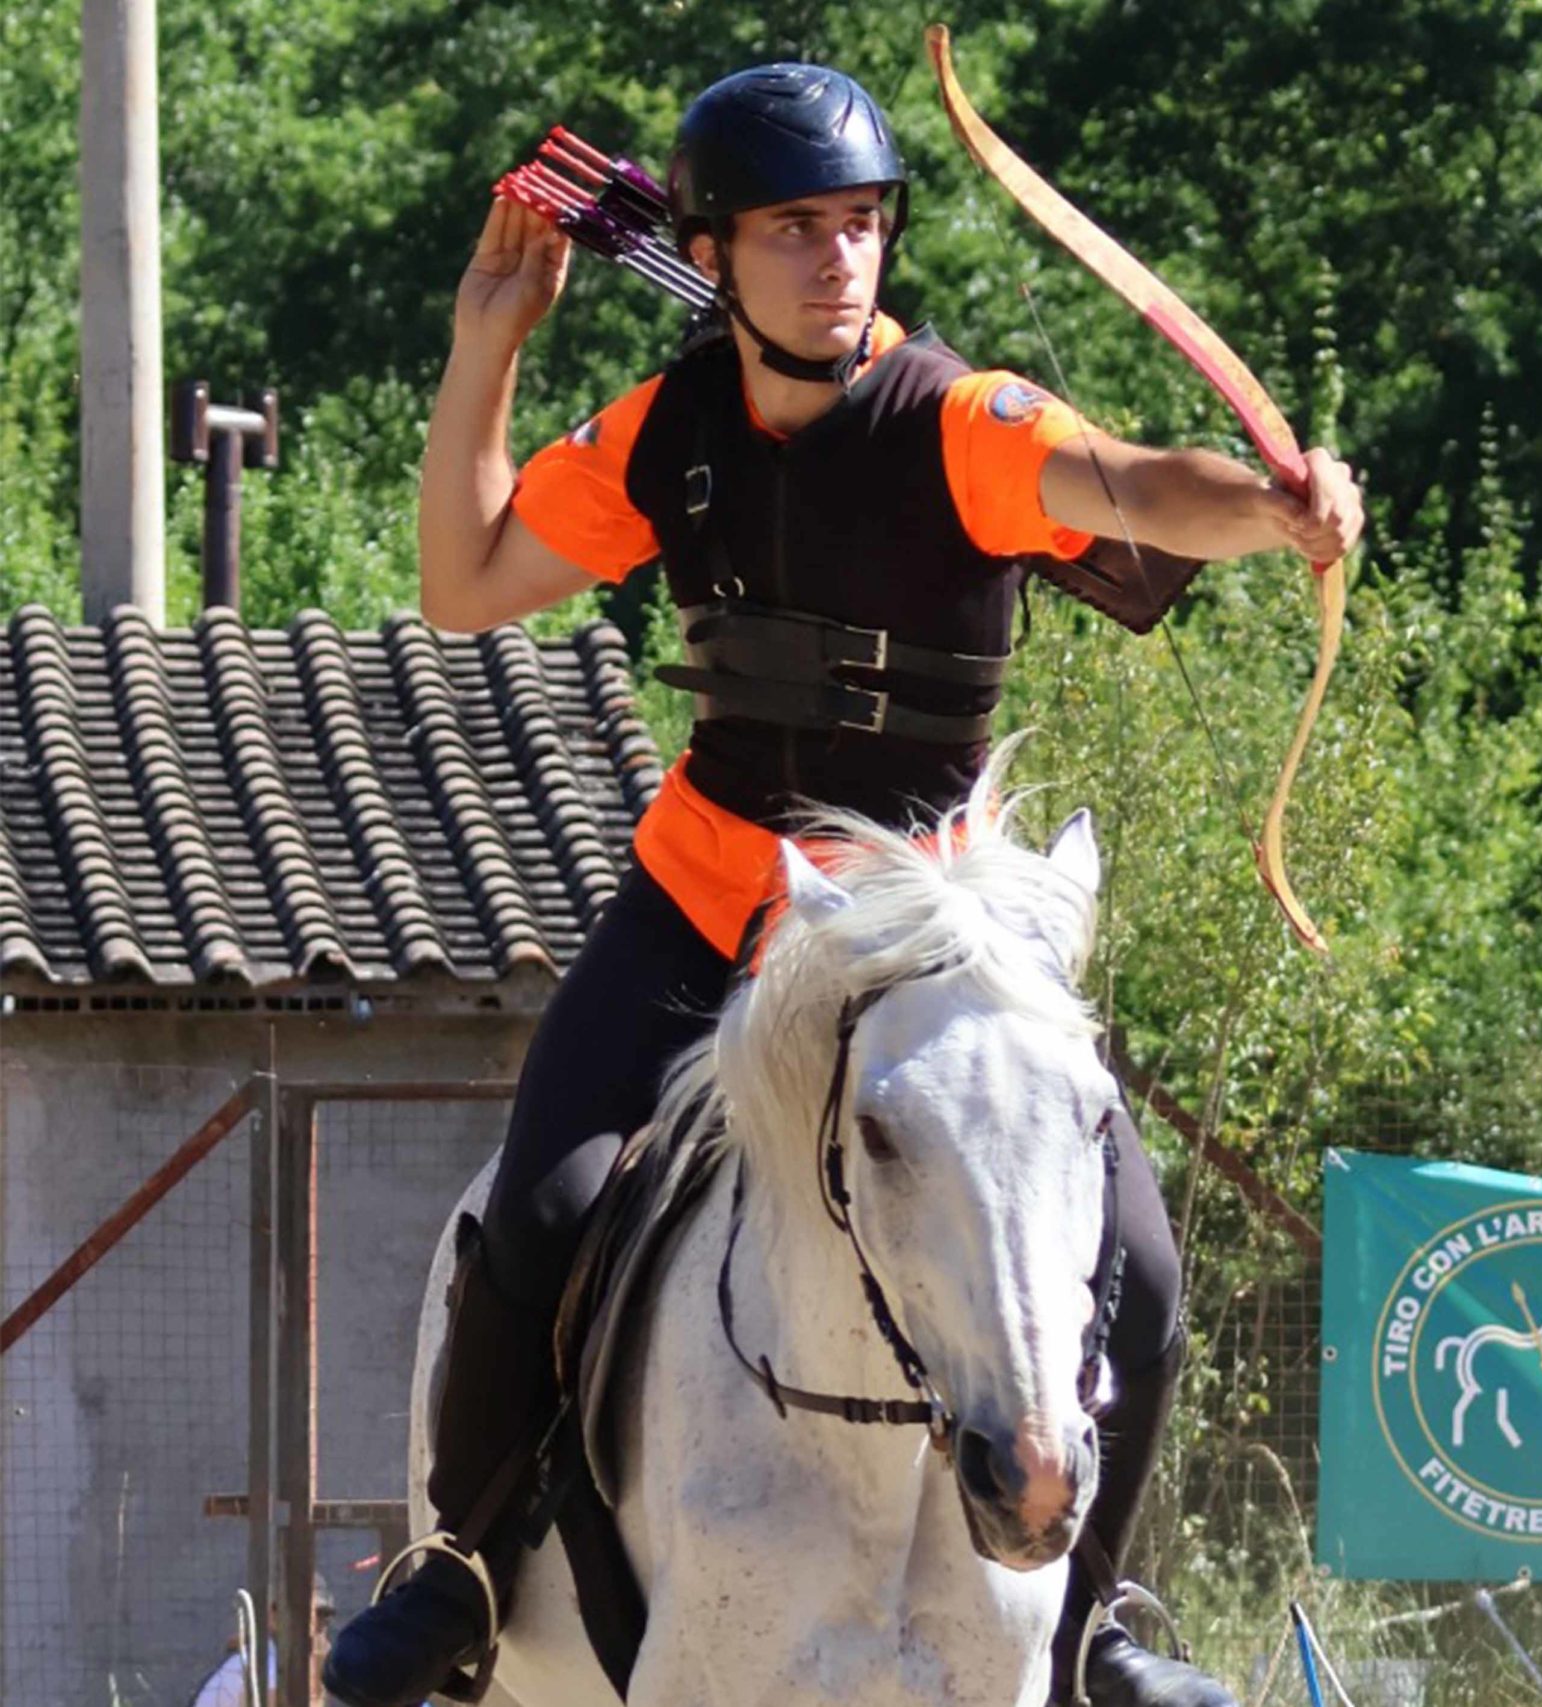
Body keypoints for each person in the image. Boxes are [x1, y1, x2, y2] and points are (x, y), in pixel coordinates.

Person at [321, 59, 1363, 1707]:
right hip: (709, 900)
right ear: (713, 253)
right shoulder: (668, 432)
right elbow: (464, 582)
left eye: (863, 222)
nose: (838, 257)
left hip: (925, 937)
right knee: (542, 1206)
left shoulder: (964, 423)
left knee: (1147, 1279)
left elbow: (1131, 481)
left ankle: (1092, 1623)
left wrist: (1276, 509)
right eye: (795, 227)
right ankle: (460, 1567)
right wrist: (487, 344)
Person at [189, 1578, 335, 1707]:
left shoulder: (266, 1657)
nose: (318, 1626)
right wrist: (317, 1672)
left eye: (323, 1616)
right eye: (309, 1615)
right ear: (273, 1616)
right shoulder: (266, 1666)